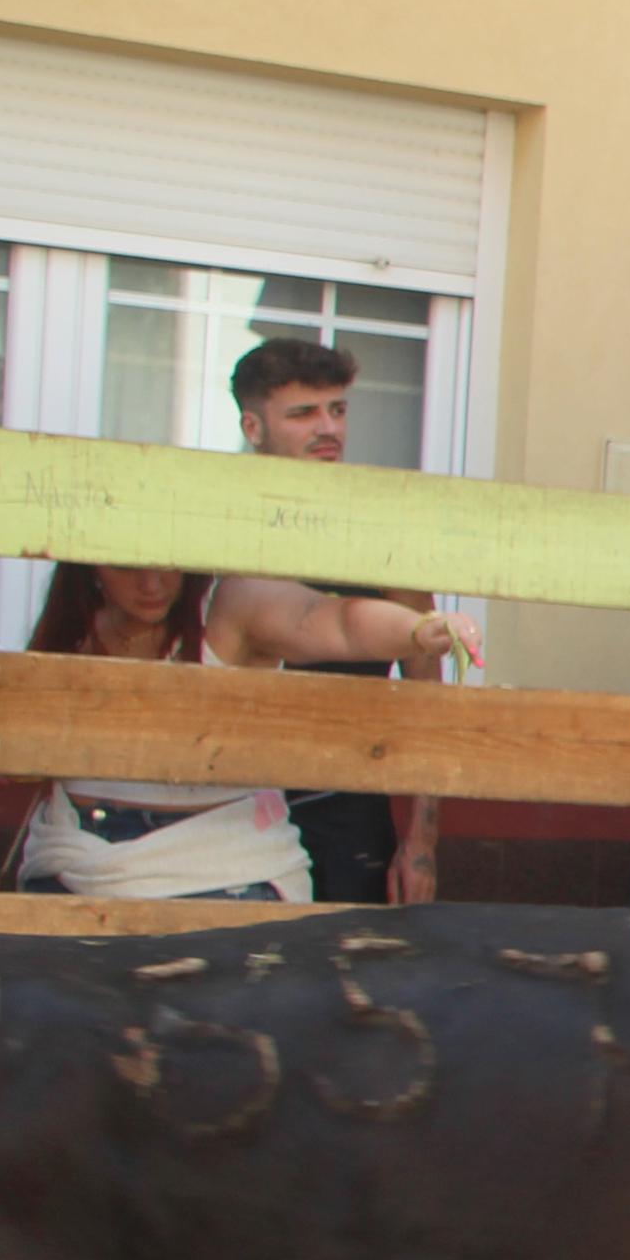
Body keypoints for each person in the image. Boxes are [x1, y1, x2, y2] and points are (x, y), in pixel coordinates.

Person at [16, 566, 472, 900]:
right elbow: (15, 759)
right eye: (126, 565)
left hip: (224, 874)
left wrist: (415, 630)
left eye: (166, 560)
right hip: (73, 863)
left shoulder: (231, 603)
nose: (151, 584)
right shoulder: (73, 630)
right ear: (90, 563)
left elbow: (329, 620)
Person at [227, 338, 442, 905]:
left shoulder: (382, 528)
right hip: (225, 803)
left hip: (346, 804)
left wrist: (421, 843)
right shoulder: (213, 519)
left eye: (338, 410)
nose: (328, 428)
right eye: (303, 414)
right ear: (253, 427)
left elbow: (426, 689)